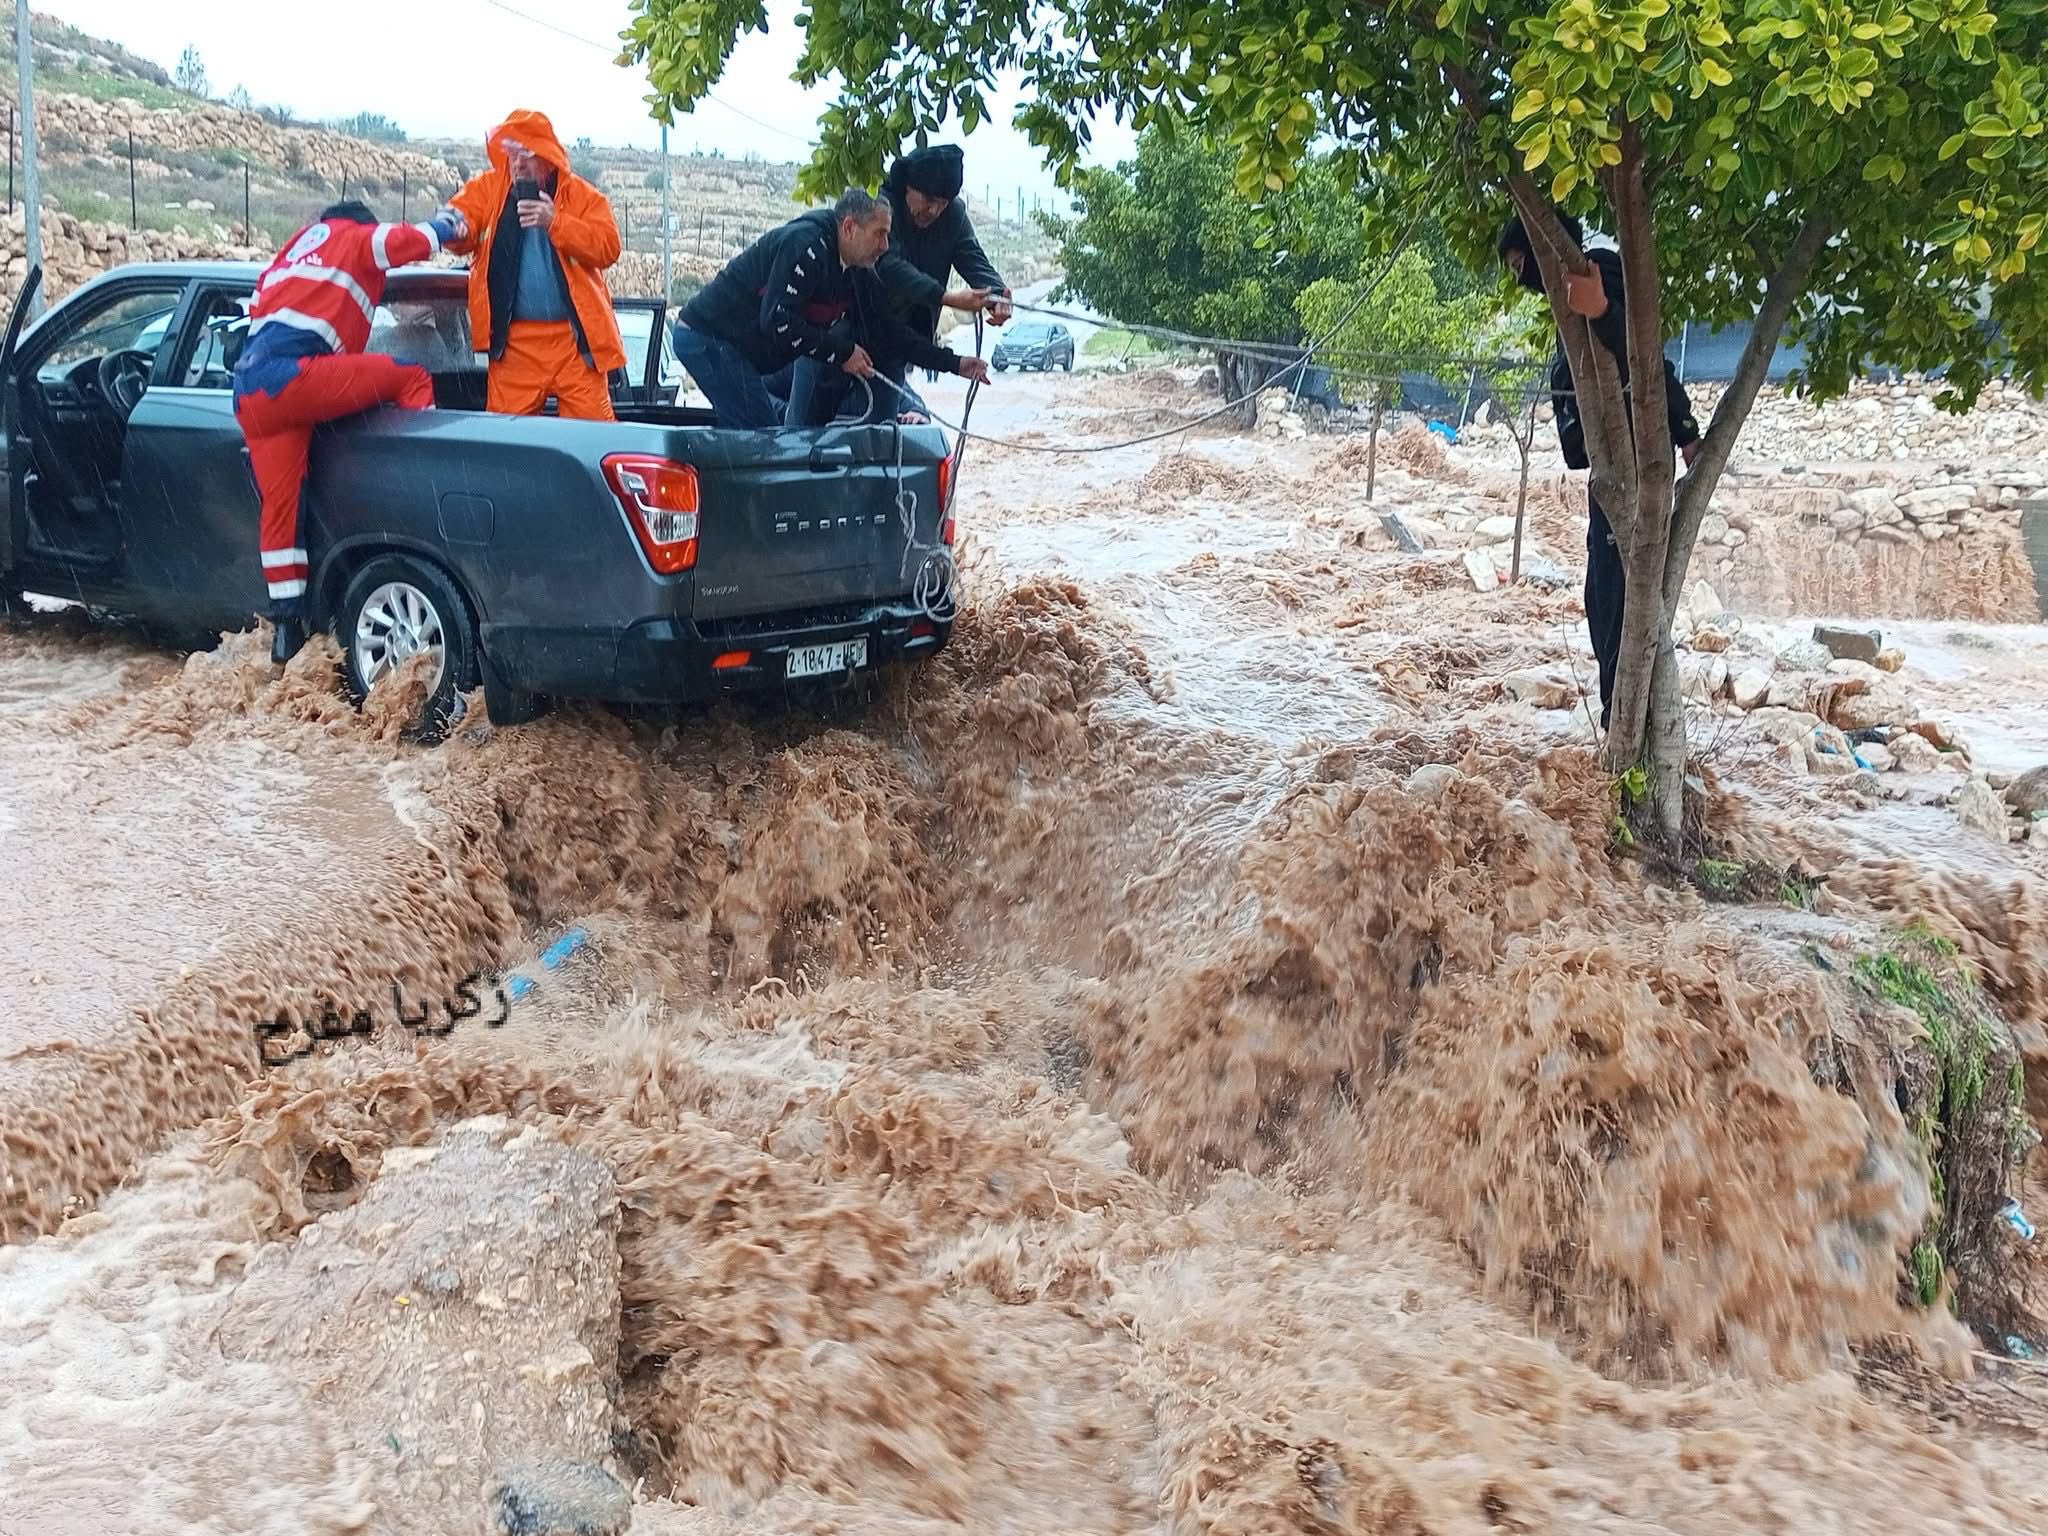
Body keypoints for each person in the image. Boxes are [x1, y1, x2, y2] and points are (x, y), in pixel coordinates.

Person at [234, 199, 467, 665]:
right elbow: (406, 241)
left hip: (250, 392)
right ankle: (423, 475)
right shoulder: (356, 237)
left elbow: (256, 315)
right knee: (412, 376)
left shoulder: (291, 252)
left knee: (281, 510)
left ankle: (286, 629)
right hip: (295, 378)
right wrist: (448, 225)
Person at [1498, 209, 1703, 730]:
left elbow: (1646, 357)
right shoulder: (1571, 300)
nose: (1519, 279)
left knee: (1618, 597)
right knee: (1601, 595)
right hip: (1608, 470)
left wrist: (1686, 430)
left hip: (1634, 464)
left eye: (1521, 265)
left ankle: (1628, 722)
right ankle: (1620, 715)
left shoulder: (1599, 273)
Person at [673, 188, 990, 430]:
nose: (885, 246)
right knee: (763, 439)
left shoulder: (857, 271)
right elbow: (778, 320)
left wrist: (954, 364)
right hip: (707, 338)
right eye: (879, 234)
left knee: (764, 439)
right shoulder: (806, 245)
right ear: (850, 227)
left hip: (744, 353)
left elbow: (889, 333)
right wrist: (842, 352)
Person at [786, 143, 1009, 427]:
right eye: (928, 199)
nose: (934, 210)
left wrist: (997, 295)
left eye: (943, 203)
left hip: (895, 345)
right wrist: (947, 297)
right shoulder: (879, 207)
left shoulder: (953, 217)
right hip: (837, 335)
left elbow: (974, 259)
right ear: (907, 186)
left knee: (879, 438)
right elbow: (887, 266)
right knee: (802, 433)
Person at [447, 110, 625, 422]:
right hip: (514, 346)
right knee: (507, 441)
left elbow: (609, 248)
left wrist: (556, 222)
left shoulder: (582, 196)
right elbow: (460, 218)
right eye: (511, 154)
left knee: (594, 439)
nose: (517, 164)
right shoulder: (488, 189)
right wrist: (454, 229)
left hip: (574, 343)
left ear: (547, 158)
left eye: (526, 155)